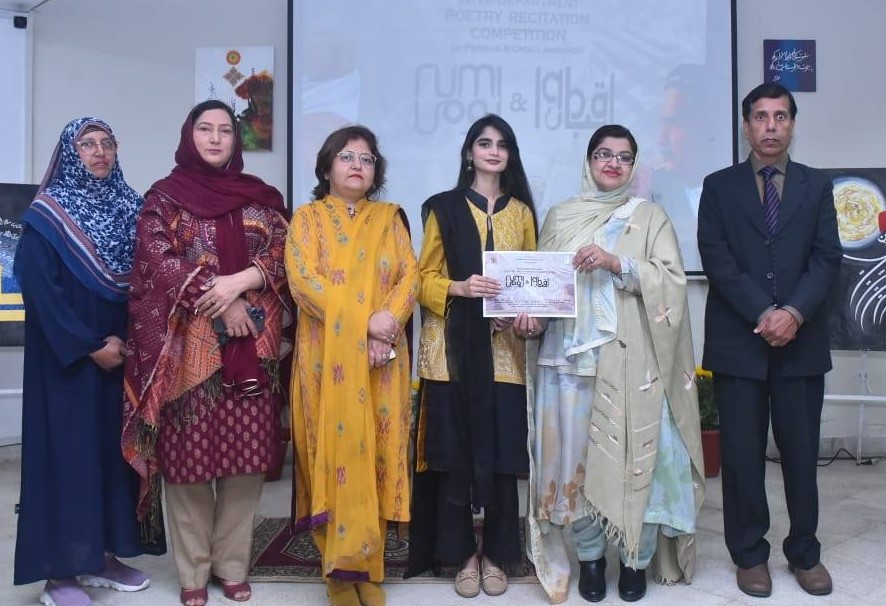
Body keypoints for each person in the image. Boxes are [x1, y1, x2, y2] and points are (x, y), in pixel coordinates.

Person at [518, 124, 704, 603]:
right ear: (588, 161)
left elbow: (672, 282)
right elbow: (543, 287)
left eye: (623, 157)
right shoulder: (561, 216)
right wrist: (529, 319)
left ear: (634, 166)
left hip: (632, 362)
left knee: (633, 462)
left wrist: (616, 262)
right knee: (576, 461)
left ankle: (636, 558)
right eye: (603, 154)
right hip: (569, 363)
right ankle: (591, 558)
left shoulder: (650, 217)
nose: (613, 163)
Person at [121, 100, 290, 606]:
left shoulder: (262, 198)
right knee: (188, 464)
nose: (215, 139)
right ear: (188, 135)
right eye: (205, 129)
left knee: (246, 462)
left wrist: (243, 280)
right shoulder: (164, 199)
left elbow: (286, 254)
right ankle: (193, 571)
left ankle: (232, 565)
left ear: (236, 140)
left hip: (254, 349)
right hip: (187, 356)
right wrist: (222, 301)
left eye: (224, 131)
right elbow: (157, 262)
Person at [697, 83, 841, 598]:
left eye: (781, 116)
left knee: (801, 455)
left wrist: (794, 314)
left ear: (793, 124)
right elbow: (717, 258)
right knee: (740, 458)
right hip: (739, 343)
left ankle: (804, 552)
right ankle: (749, 555)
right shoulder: (719, 186)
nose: (771, 126)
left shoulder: (816, 186)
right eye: (761, 117)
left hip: (801, 344)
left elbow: (827, 258)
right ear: (746, 126)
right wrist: (765, 314)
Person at [13, 117, 155, 606]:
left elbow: (147, 279)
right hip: (67, 363)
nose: (99, 152)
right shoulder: (47, 214)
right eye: (87, 144)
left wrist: (130, 342)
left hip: (119, 358)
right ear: (70, 154)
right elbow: (39, 288)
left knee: (110, 460)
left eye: (107, 143)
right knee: (67, 461)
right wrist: (90, 345)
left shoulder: (130, 206)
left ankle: (101, 558)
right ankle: (59, 574)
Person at [285, 125, 419, 606]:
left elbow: (410, 276)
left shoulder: (389, 219)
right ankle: (338, 573)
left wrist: (386, 329)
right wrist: (368, 322)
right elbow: (304, 282)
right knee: (331, 452)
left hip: (383, 359)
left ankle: (369, 566)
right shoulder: (306, 219)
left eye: (366, 158)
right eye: (346, 156)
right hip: (327, 359)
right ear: (327, 167)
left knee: (377, 454)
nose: (357, 165)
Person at [406, 114, 538, 599]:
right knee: (452, 457)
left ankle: (498, 555)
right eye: (484, 143)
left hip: (504, 354)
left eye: (502, 144)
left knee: (502, 459)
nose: (493, 151)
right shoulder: (442, 208)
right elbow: (421, 280)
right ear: (469, 152)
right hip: (451, 354)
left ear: (510, 154)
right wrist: (460, 288)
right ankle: (460, 554)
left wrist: (521, 315)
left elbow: (531, 281)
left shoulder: (522, 213)